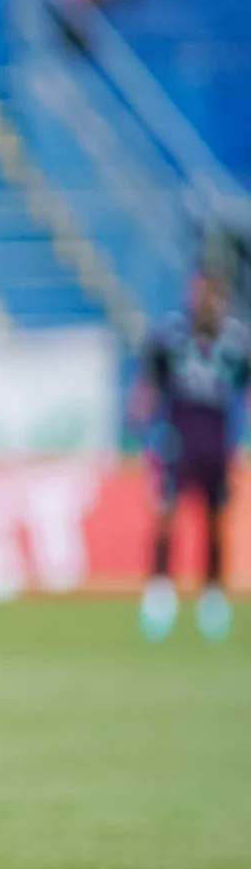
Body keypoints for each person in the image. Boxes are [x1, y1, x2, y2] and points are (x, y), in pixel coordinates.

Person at [133, 268, 249, 643]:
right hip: (177, 441)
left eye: (209, 294)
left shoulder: (235, 344)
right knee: (166, 514)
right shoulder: (171, 338)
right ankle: (159, 594)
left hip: (216, 443)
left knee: (216, 520)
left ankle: (212, 595)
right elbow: (149, 385)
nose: (202, 301)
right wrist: (140, 423)